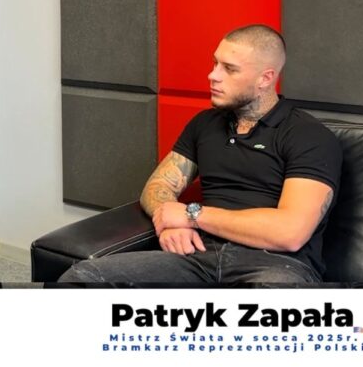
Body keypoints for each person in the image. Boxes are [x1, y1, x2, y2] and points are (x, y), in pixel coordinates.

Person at [59, 24, 342, 285]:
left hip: (275, 265)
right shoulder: (205, 124)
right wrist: (167, 221)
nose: (213, 75)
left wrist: (191, 215)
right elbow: (159, 185)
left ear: (265, 78)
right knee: (82, 278)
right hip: (197, 257)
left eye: (229, 69)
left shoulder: (308, 135)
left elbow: (290, 233)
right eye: (215, 63)